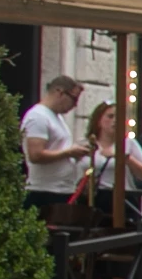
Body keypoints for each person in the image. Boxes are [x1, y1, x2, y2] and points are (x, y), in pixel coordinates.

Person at [20, 74, 90, 210]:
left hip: (61, 190)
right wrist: (69, 152)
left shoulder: (57, 118)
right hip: (45, 191)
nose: (75, 105)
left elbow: (57, 149)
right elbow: (36, 155)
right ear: (59, 92)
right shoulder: (38, 116)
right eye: (73, 99)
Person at [83, 101, 142, 226]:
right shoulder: (86, 143)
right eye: (110, 117)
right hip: (92, 197)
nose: (115, 121)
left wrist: (127, 159)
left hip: (121, 198)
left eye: (119, 117)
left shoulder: (129, 144)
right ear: (98, 120)